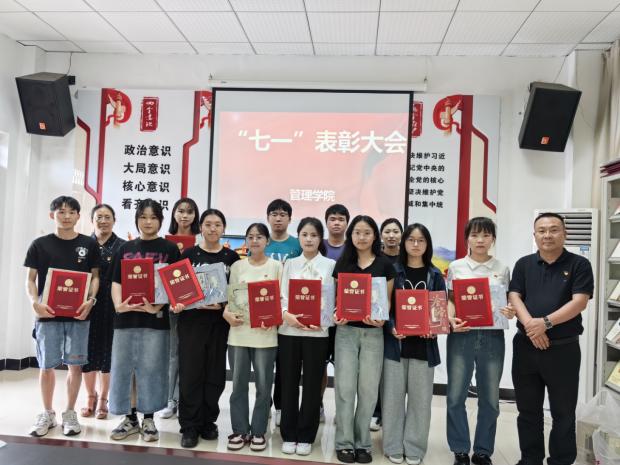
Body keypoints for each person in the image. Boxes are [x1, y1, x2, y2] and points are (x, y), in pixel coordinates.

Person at [509, 212, 593, 465]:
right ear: (534, 235)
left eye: (554, 229)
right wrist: (531, 327)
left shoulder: (579, 264)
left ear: (564, 233)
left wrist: (544, 323)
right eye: (542, 230)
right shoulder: (524, 264)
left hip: (563, 350)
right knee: (527, 410)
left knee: (563, 412)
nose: (547, 235)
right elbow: (514, 296)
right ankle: (530, 459)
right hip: (526, 348)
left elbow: (580, 301)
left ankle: (561, 460)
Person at [24, 196, 100, 437]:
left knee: (75, 365)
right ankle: (47, 413)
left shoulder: (89, 244)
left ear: (78, 216)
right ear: (52, 215)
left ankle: (69, 413)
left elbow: (95, 277)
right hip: (47, 315)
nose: (66, 216)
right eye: (61, 211)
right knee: (46, 366)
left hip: (78, 315)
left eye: (71, 212)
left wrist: (91, 300)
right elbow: (30, 279)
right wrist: (34, 302)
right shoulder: (39, 244)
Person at [109, 199, 181, 442]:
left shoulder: (170, 249)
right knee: (125, 369)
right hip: (126, 319)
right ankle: (129, 418)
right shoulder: (125, 248)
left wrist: (157, 307)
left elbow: (174, 283)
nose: (148, 222)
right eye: (143, 217)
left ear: (160, 220)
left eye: (153, 217)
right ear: (137, 219)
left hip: (155, 320)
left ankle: (149, 419)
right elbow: (116, 281)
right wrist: (119, 306)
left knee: (151, 369)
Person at [446, 217, 515, 465]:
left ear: (493, 239)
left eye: (486, 235)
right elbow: (451, 299)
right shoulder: (456, 267)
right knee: (456, 396)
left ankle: (483, 451)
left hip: (492, 336)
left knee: (490, 399)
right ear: (467, 239)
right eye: (475, 235)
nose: (480, 240)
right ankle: (460, 449)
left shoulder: (502, 268)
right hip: (462, 335)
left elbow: (509, 301)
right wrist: (451, 319)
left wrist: (510, 311)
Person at [332, 215, 396, 464]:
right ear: (351, 236)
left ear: (374, 236)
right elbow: (336, 299)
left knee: (368, 391)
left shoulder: (384, 265)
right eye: (357, 232)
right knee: (345, 389)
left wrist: (382, 318)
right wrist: (336, 313)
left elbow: (387, 301)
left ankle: (363, 443)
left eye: (367, 232)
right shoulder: (343, 263)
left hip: (373, 334)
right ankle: (344, 443)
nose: (361, 237)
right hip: (346, 333)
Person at [177, 208, 240, 448]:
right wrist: (181, 302)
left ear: (223, 228)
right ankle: (189, 426)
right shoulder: (188, 255)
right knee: (191, 374)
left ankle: (208, 422)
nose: (213, 229)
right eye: (208, 224)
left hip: (219, 325)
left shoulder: (232, 258)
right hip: (191, 323)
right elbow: (176, 288)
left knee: (214, 375)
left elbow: (237, 293)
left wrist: (222, 304)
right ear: (201, 227)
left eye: (217, 224)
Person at [382, 223, 445, 465]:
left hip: (424, 348)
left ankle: (415, 447)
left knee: (421, 402)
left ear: (427, 244)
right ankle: (392, 445)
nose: (416, 244)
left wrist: (434, 328)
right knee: (392, 400)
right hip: (396, 346)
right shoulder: (393, 271)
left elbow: (439, 311)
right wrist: (391, 326)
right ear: (404, 243)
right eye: (411, 240)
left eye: (421, 240)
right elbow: (384, 306)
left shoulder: (435, 275)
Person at [223, 223, 283, 452]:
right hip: (239, 333)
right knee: (238, 384)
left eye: (259, 237)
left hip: (265, 335)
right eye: (250, 237)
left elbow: (281, 300)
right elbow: (230, 298)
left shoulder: (277, 266)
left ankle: (258, 431)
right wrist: (227, 313)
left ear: (267, 241)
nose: (255, 240)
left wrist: (274, 318)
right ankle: (240, 430)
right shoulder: (237, 266)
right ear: (246, 241)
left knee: (263, 386)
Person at [279, 217, 336, 456]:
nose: (309, 239)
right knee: (288, 383)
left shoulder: (331, 265)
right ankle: (288, 433)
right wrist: (287, 315)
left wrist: (321, 320)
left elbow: (332, 299)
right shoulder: (289, 264)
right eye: (304, 234)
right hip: (289, 331)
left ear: (320, 238)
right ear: (299, 237)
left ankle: (306, 435)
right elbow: (282, 295)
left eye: (314, 235)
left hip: (317, 333)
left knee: (313, 385)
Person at [80, 204, 125, 420]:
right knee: (86, 352)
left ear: (114, 220)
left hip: (113, 306)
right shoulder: (82, 245)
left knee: (108, 352)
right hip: (85, 307)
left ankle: (103, 399)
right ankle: (90, 396)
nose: (103, 221)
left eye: (108, 217)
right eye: (99, 217)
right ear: (92, 220)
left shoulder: (123, 246)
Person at [160, 198, 200, 420]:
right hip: (171, 305)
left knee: (190, 355)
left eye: (189, 212)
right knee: (173, 353)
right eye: (180, 211)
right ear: (174, 213)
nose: (185, 215)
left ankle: (185, 397)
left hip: (196, 307)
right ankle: (170, 399)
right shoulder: (165, 243)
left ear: (195, 216)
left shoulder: (201, 241)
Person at [264, 198, 301, 426]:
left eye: (283, 214)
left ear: (290, 218)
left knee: (285, 364)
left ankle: (280, 406)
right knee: (265, 362)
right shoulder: (262, 242)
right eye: (274, 214)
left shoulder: (297, 245)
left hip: (289, 311)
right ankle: (264, 403)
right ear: (268, 217)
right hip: (264, 309)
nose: (278, 218)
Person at [371, 217, 403, 431]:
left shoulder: (407, 258)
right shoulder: (376, 258)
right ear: (381, 235)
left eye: (395, 231)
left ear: (401, 235)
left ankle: (390, 413)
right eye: (387, 231)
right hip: (376, 320)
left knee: (394, 370)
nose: (391, 235)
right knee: (376, 369)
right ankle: (375, 412)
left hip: (401, 320)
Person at [321, 203, 351, 422]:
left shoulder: (353, 248)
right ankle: (318, 405)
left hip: (345, 318)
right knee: (318, 365)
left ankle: (343, 411)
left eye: (341, 219)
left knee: (344, 368)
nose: (337, 223)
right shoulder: (319, 245)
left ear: (347, 223)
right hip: (321, 316)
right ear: (326, 222)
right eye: (333, 218)